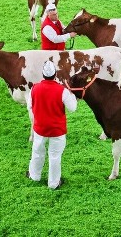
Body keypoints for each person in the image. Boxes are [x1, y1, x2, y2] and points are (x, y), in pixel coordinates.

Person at [27, 60, 78, 190]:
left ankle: (34, 176)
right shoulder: (62, 91)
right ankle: (53, 183)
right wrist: (71, 93)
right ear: (55, 75)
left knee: (37, 152)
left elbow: (30, 106)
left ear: (43, 75)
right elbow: (73, 108)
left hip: (40, 128)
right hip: (57, 130)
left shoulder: (34, 88)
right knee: (55, 156)